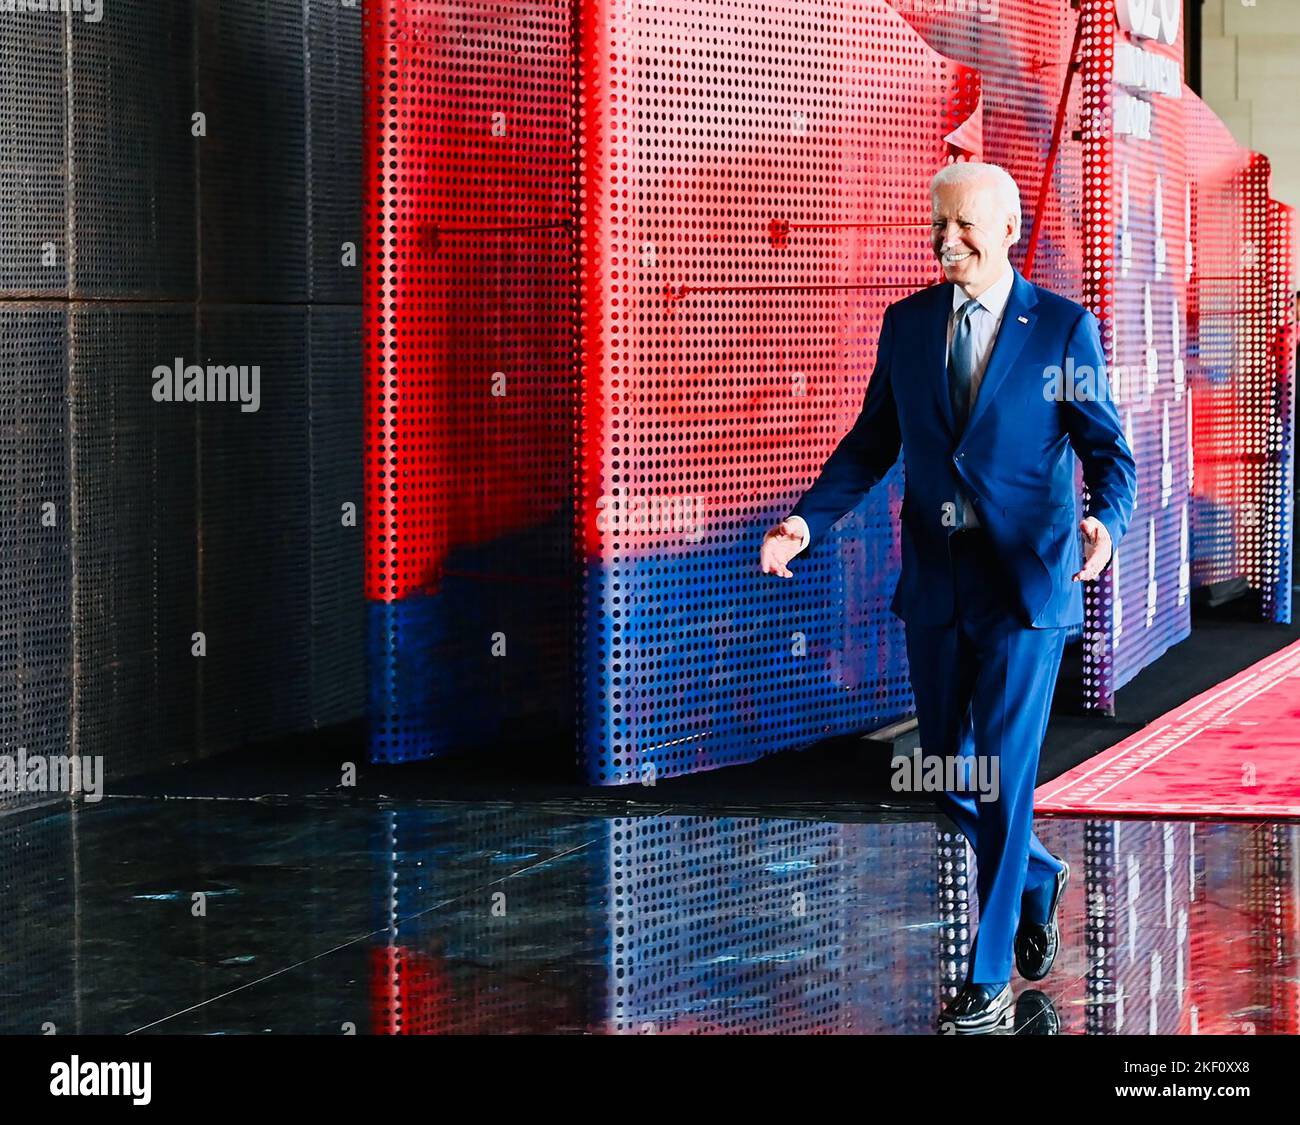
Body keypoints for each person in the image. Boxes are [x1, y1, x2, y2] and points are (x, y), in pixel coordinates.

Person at [760, 161, 1137, 1034]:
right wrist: (807, 523)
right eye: (938, 224)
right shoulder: (908, 325)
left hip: (1026, 588)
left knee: (1004, 778)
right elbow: (870, 444)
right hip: (935, 586)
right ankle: (1039, 876)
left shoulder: (1064, 334)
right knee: (942, 774)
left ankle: (989, 969)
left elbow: (1109, 456)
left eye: (965, 226)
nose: (946, 241)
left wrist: (1104, 528)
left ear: (1008, 229)